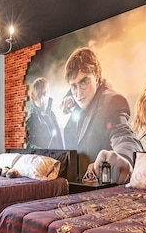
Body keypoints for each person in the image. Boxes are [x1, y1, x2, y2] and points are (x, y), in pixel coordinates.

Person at [60, 47, 140, 184]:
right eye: (74, 86)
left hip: (103, 191)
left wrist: (124, 158)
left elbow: (124, 136)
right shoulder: (80, 99)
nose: (79, 93)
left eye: (84, 82)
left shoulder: (112, 101)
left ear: (97, 77)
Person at [25, 77, 64, 149]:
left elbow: (59, 141)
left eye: (44, 94)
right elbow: (30, 148)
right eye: (38, 97)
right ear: (34, 98)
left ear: (48, 93)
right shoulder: (31, 121)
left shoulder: (52, 115)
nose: (42, 100)